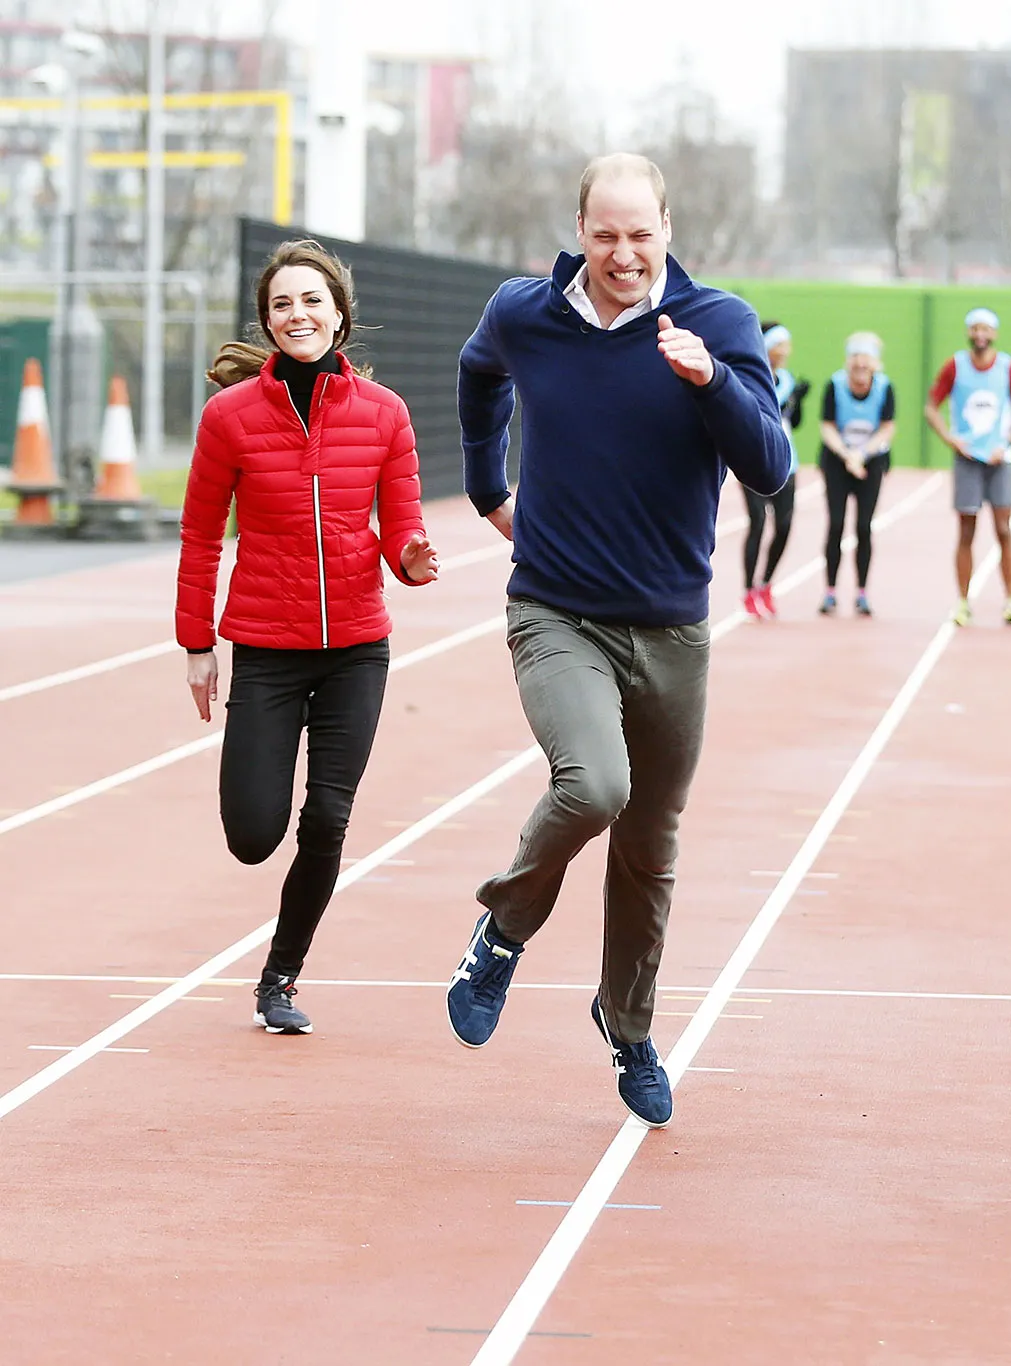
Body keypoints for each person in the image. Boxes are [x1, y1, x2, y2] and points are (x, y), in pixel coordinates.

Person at [450, 154, 791, 1126]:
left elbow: (769, 467)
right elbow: (480, 376)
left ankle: (628, 1025)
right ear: (579, 230)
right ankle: (503, 929)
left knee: (650, 843)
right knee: (593, 784)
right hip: (556, 610)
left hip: (673, 630)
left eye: (640, 234)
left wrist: (710, 380)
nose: (623, 253)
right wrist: (486, 489)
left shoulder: (716, 323)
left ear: (667, 230)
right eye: (605, 234)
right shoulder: (529, 313)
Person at [177, 239, 439, 1036]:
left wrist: (413, 557)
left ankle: (280, 975)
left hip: (358, 646)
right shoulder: (229, 418)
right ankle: (271, 921)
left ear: (339, 315)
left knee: (327, 819)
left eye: (312, 301)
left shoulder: (385, 413)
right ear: (267, 320)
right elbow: (197, 536)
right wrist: (197, 644)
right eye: (283, 304)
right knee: (255, 836)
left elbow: (401, 526)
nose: (299, 314)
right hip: (265, 646)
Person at [925, 307, 1011, 627]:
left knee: (1003, 529)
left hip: (999, 459)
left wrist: (1007, 442)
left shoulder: (1008, 367)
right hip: (967, 458)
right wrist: (950, 439)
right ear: (968, 332)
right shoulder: (955, 366)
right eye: (974, 329)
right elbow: (931, 407)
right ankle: (962, 601)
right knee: (967, 530)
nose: (980, 335)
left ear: (994, 333)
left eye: (986, 329)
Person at [818, 332, 896, 616]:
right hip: (838, 460)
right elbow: (826, 425)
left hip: (870, 462)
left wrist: (862, 455)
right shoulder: (835, 385)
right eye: (855, 361)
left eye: (866, 362)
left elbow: (887, 427)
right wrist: (847, 455)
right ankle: (830, 592)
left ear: (875, 364)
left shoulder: (885, 388)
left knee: (864, 526)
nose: (860, 367)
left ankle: (862, 591)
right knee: (836, 524)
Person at [742, 321, 808, 619]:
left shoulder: (789, 380)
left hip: (786, 461)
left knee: (784, 525)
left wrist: (799, 401)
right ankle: (747, 589)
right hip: (754, 458)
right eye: (779, 345)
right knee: (757, 521)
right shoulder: (752, 377)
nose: (785, 351)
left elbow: (793, 422)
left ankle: (766, 583)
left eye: (787, 345)